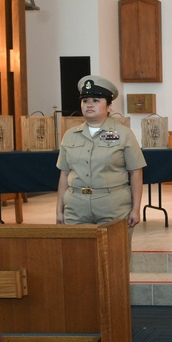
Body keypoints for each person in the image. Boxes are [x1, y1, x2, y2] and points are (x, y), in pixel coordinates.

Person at [56, 76, 146, 231]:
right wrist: (59, 210)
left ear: (109, 106)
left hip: (112, 206)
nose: (89, 105)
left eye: (96, 100)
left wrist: (136, 209)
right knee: (77, 254)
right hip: (76, 208)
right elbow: (64, 174)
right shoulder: (70, 135)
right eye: (85, 100)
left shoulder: (124, 134)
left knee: (114, 254)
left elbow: (136, 173)